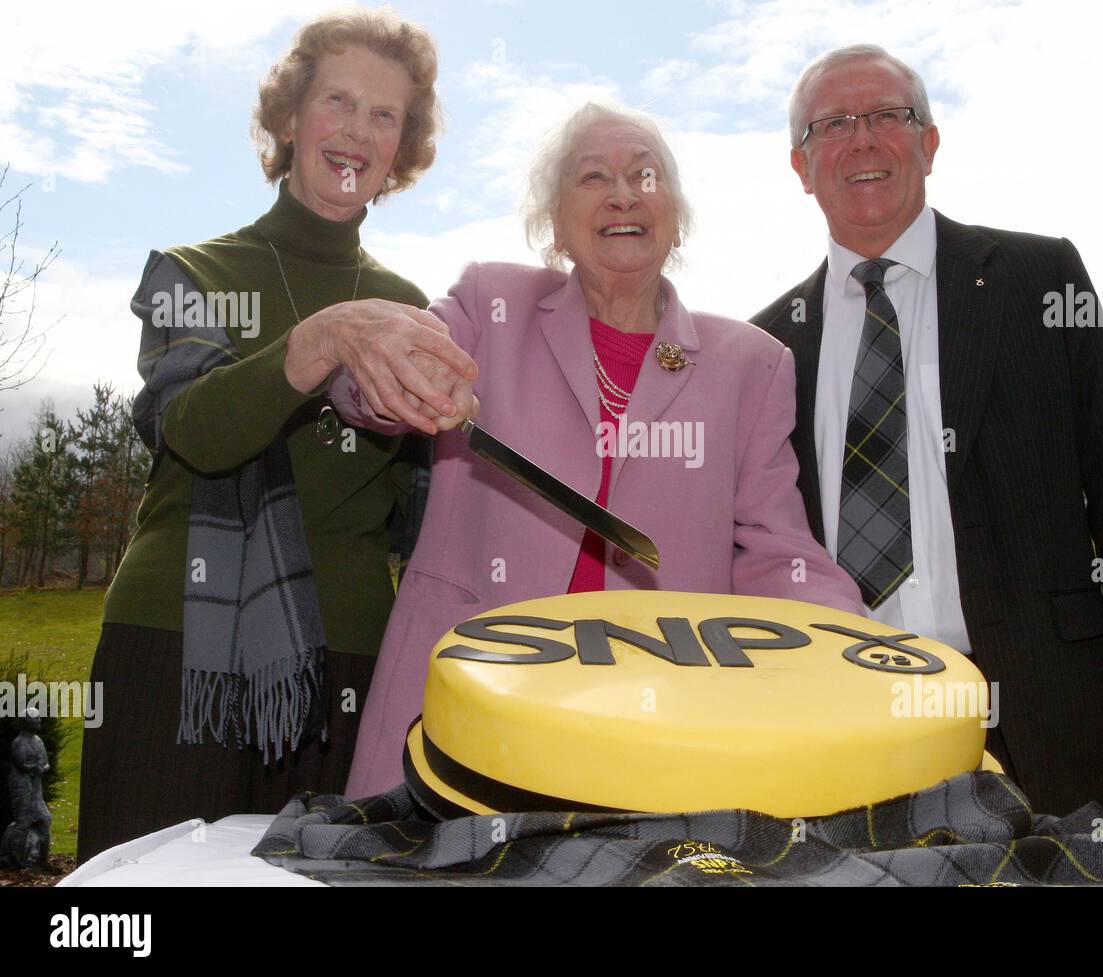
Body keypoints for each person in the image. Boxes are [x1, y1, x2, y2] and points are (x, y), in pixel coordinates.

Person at [336, 103, 865, 796]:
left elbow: (777, 549)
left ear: (675, 216)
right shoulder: (490, 304)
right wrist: (388, 367)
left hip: (651, 722)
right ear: (555, 223)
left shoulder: (751, 364)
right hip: (468, 706)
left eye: (644, 175)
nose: (623, 193)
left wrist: (867, 648)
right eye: (593, 177)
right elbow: (363, 393)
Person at [751, 45, 1103, 818]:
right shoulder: (765, 347)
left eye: (888, 116)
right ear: (800, 165)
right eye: (833, 124)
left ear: (928, 143)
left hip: (1045, 716)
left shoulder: (1042, 279)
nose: (862, 139)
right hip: (845, 721)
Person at [77, 9, 477, 862]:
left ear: (402, 148)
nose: (357, 131)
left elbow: (433, 500)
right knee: (142, 901)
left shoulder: (415, 309)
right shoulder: (195, 273)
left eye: (385, 115)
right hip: (180, 649)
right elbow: (199, 430)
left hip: (351, 661)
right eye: (338, 100)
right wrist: (322, 338)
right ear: (291, 118)